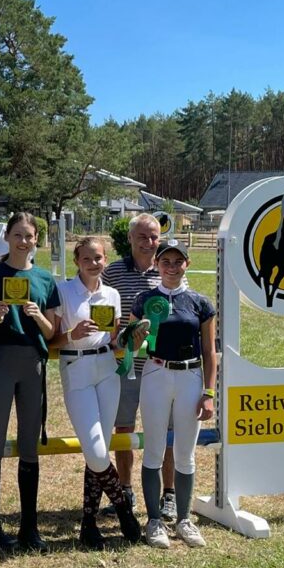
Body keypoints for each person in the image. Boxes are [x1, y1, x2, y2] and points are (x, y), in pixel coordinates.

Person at [51, 236, 142, 549]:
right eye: (87, 258)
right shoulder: (62, 290)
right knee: (95, 450)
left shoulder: (112, 294)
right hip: (75, 368)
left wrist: (132, 337)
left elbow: (115, 338)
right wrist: (71, 334)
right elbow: (51, 340)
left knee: (98, 450)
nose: (93, 264)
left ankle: (88, 524)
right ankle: (123, 509)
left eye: (99, 258)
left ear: (106, 260)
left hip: (106, 368)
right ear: (77, 260)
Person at [0, 212, 59, 552]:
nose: (23, 241)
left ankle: (30, 527)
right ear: (7, 238)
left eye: (29, 236)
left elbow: (53, 331)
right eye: (17, 235)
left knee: (29, 445)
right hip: (0, 363)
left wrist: (38, 315)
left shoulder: (45, 279)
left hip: (33, 366)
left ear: (36, 240)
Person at [133, 239, 216, 549]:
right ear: (157, 264)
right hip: (156, 373)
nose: (171, 266)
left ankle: (183, 519)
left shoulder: (200, 302)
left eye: (177, 261)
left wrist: (208, 392)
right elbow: (129, 343)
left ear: (187, 264)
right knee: (154, 448)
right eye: (165, 261)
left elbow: (210, 350)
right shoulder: (144, 299)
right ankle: (154, 520)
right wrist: (132, 336)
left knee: (185, 453)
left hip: (190, 376)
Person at [101, 213, 177, 520]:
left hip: (162, 365)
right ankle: (126, 491)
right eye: (143, 237)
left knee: (168, 431)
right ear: (130, 238)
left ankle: (169, 493)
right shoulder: (113, 272)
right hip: (125, 365)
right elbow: (104, 312)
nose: (149, 243)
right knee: (124, 428)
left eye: (154, 237)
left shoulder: (168, 269)